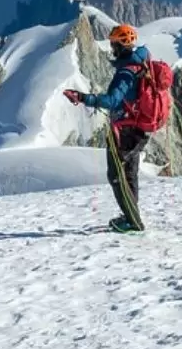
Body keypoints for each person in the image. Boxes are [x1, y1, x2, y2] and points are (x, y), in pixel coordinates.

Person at [63, 24, 150, 232]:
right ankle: (131, 215)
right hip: (138, 127)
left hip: (125, 129)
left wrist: (83, 98)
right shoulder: (140, 65)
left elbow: (112, 100)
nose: (111, 48)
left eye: (114, 44)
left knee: (116, 175)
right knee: (129, 174)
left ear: (121, 45)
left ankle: (132, 221)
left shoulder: (126, 72)